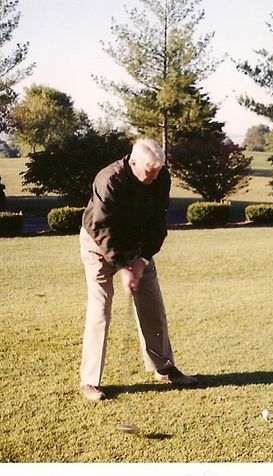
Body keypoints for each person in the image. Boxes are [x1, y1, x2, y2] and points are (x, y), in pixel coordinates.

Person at [78, 138, 197, 401]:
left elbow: (158, 222)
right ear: (133, 162)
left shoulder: (160, 177)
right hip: (98, 245)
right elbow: (102, 228)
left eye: (157, 172)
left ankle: (164, 368)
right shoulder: (109, 180)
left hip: (136, 245)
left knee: (152, 304)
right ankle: (89, 382)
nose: (153, 177)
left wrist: (142, 260)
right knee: (101, 309)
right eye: (149, 171)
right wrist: (122, 267)